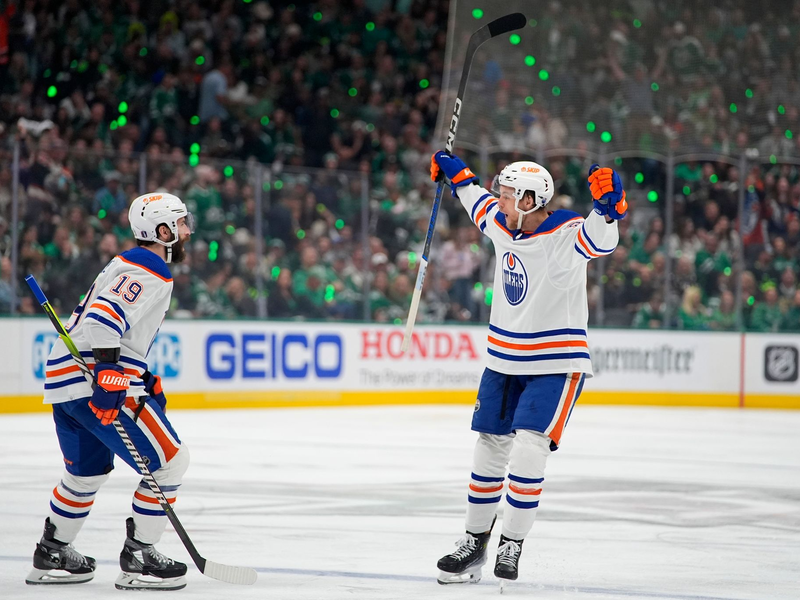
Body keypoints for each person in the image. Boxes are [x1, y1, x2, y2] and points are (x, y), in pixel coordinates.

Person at [429, 151, 626, 587]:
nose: (498, 200)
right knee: (489, 448)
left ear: (529, 199)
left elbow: (600, 240)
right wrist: (456, 174)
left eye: (506, 194)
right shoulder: (503, 222)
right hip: (503, 358)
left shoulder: (566, 234)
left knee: (529, 449)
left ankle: (511, 542)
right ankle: (474, 543)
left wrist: (608, 209)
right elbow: (475, 200)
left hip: (556, 362)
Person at [26, 193, 195, 591]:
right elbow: (104, 320)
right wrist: (108, 374)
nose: (189, 231)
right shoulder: (150, 265)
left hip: (67, 383)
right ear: (164, 231)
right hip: (92, 383)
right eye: (182, 223)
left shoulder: (129, 263)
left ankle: (54, 550)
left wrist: (139, 374)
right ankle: (140, 557)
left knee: (85, 474)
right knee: (170, 461)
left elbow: (109, 324)